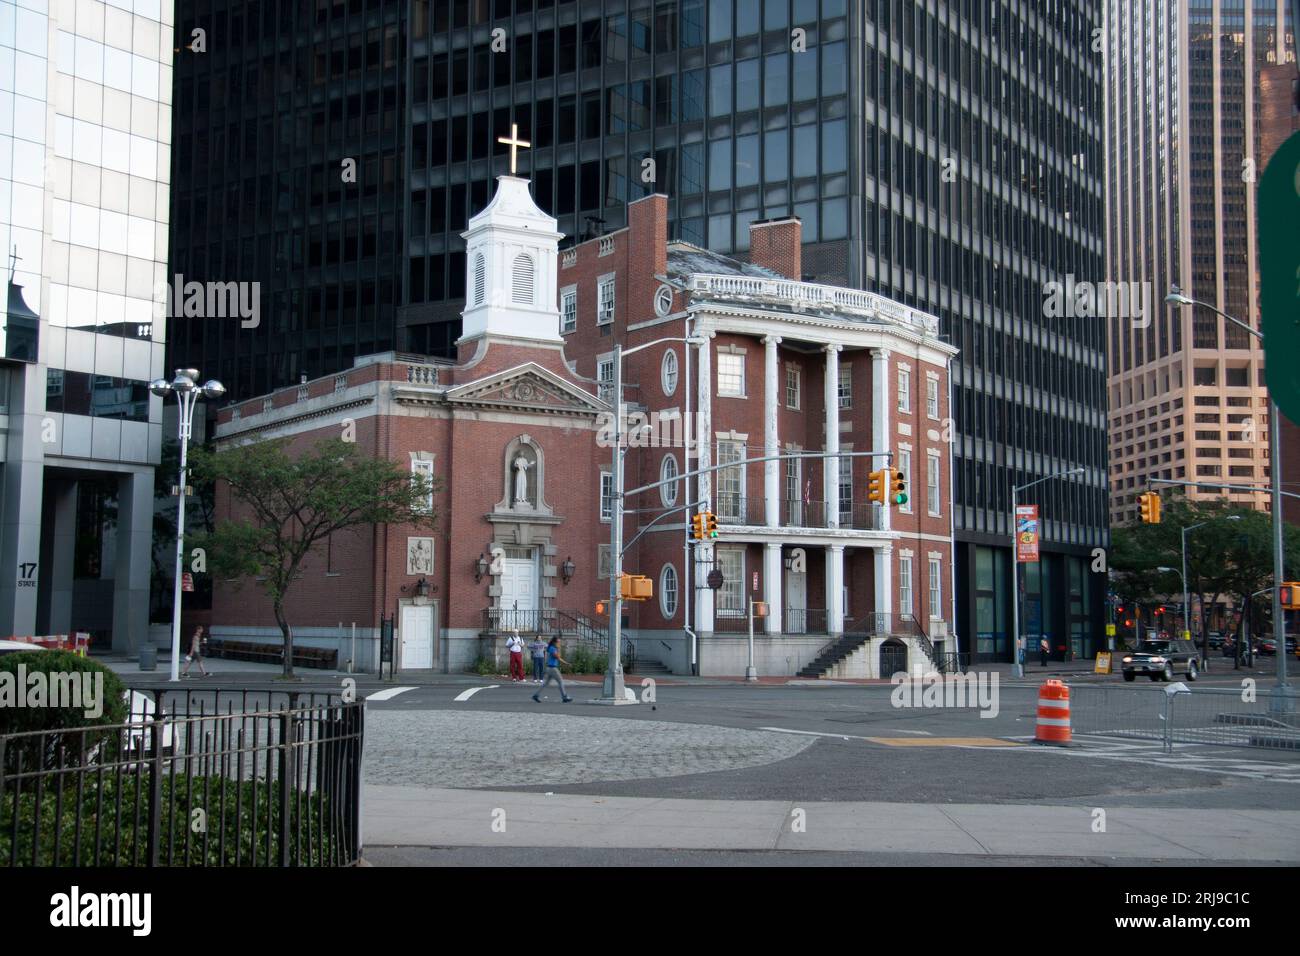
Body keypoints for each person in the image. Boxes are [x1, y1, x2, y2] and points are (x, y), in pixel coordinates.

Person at [533, 636, 572, 703]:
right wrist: (566, 663)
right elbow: (558, 657)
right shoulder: (553, 648)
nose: (559, 643)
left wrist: (560, 647)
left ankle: (536, 695)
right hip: (552, 668)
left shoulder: (552, 648)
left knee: (546, 683)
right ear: (554, 642)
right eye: (558, 642)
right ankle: (564, 697)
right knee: (560, 681)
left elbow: (558, 656)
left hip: (550, 668)